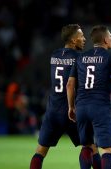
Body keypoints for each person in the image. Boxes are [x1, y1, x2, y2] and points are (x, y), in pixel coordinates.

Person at [30, 24, 100, 169]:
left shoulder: (54, 55)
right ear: (74, 40)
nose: (84, 39)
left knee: (40, 151)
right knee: (90, 147)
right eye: (81, 36)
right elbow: (73, 84)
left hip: (53, 111)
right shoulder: (80, 58)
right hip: (72, 111)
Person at [67, 25, 111, 169]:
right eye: (110, 36)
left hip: (81, 107)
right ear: (105, 40)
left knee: (86, 146)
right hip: (99, 107)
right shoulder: (110, 56)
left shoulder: (81, 57)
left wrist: (71, 107)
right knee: (106, 149)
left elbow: (70, 84)